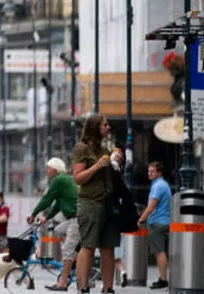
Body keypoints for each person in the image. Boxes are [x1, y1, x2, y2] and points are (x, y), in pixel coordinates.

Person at [72, 114, 123, 294]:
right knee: (88, 245)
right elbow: (78, 178)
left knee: (108, 247)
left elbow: (112, 176)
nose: (108, 128)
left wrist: (116, 161)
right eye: (104, 125)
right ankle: (82, 287)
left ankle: (108, 287)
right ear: (95, 127)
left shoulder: (104, 149)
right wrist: (97, 166)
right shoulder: (82, 148)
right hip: (90, 203)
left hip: (108, 203)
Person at [28, 158, 79, 292]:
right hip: (73, 219)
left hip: (77, 219)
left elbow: (47, 199)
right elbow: (57, 204)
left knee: (67, 251)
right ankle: (75, 256)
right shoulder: (64, 179)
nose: (47, 171)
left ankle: (62, 283)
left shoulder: (59, 180)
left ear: (55, 169)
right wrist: (46, 217)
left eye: (48, 168)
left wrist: (34, 214)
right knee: (57, 230)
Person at [137, 161, 172, 289]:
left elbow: (151, 206)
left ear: (159, 172)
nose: (149, 173)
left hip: (158, 222)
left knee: (159, 251)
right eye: (149, 171)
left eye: (152, 171)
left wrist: (141, 220)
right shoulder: (160, 184)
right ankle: (162, 279)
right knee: (159, 251)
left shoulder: (159, 186)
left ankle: (163, 280)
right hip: (162, 221)